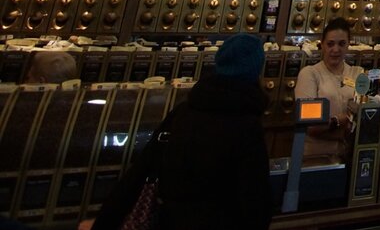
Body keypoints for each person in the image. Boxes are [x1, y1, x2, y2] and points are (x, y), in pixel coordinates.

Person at [86, 34, 272, 230]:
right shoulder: (247, 126)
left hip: (170, 220)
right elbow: (255, 200)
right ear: (256, 72)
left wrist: (103, 223)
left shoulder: (182, 112)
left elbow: (137, 174)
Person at [295, 18, 364, 163]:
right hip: (316, 158)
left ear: (348, 45)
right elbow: (310, 126)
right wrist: (341, 120)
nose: (336, 49)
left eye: (342, 44)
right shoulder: (310, 74)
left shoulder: (358, 73)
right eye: (330, 44)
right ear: (322, 45)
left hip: (349, 158)